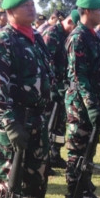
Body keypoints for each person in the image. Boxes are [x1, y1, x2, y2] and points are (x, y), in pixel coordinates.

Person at [0, 0, 57, 198]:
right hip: (12, 122)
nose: (31, 7)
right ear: (10, 11)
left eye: (32, 3)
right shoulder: (2, 40)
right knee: (7, 179)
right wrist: (10, 123)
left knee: (36, 176)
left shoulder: (35, 38)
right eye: (24, 5)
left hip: (36, 119)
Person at [64, 0, 100, 198]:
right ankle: (72, 197)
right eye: (99, 10)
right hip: (80, 106)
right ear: (88, 12)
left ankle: (84, 190)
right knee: (77, 150)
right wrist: (91, 106)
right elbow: (78, 76)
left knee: (89, 150)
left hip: (91, 103)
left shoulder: (92, 36)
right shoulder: (78, 37)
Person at [39, 10, 69, 169]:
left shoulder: (65, 34)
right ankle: (45, 158)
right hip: (51, 88)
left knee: (59, 124)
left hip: (61, 87)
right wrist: (54, 86)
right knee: (48, 123)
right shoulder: (52, 33)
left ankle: (55, 154)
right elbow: (46, 61)